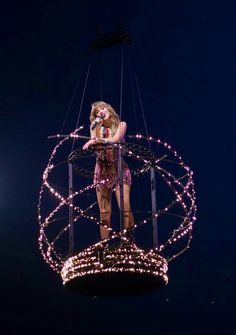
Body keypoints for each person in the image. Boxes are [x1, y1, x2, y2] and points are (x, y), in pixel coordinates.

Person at [82, 101, 134, 242]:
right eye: (97, 112)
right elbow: (91, 142)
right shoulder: (95, 127)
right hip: (102, 170)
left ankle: (128, 241)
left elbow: (115, 139)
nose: (100, 112)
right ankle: (104, 245)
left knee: (125, 207)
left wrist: (95, 142)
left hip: (119, 169)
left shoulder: (121, 125)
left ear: (109, 110)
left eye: (102, 109)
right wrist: (93, 138)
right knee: (104, 212)